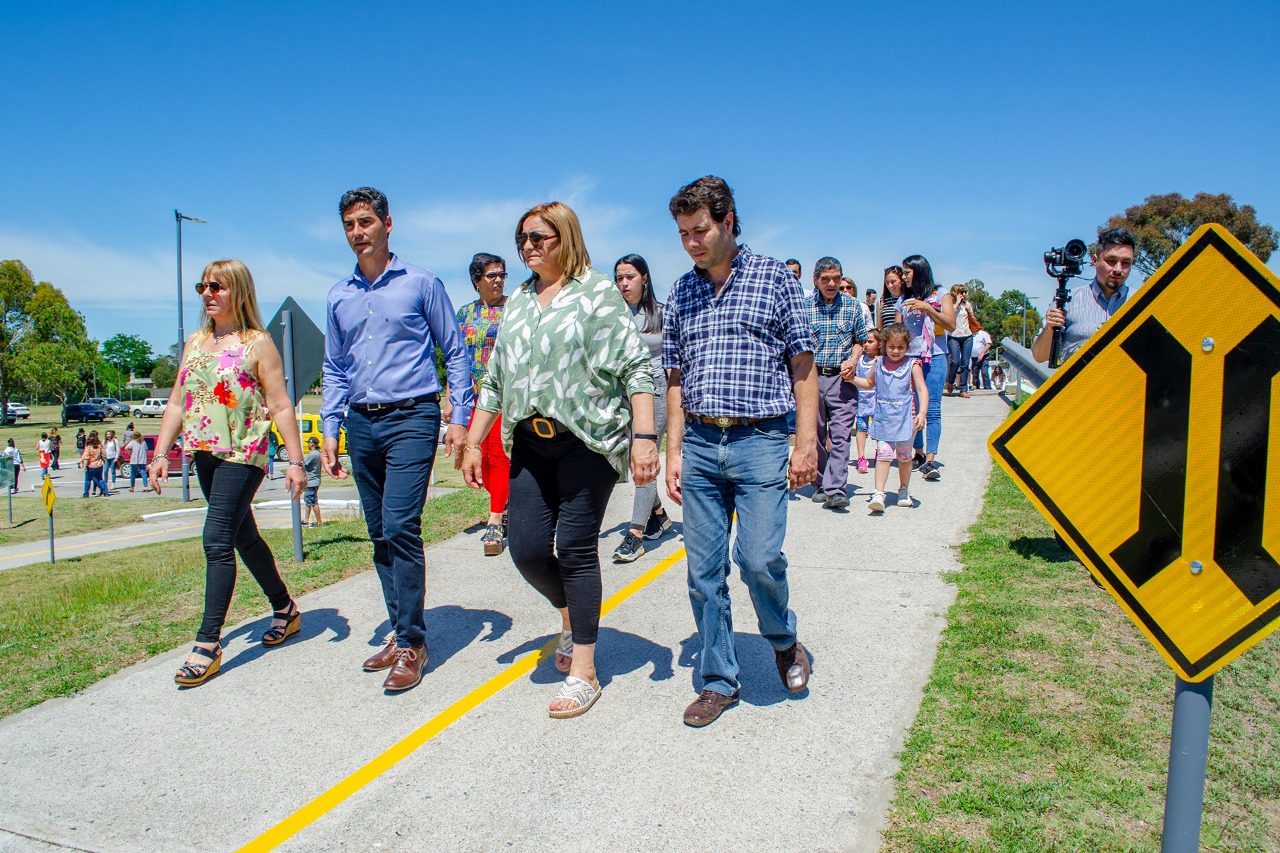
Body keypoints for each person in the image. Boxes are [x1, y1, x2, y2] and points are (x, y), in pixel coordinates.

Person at [460, 201, 657, 719]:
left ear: (566, 237)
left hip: (585, 442)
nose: (528, 247)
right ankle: (570, 616)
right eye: (522, 238)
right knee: (524, 549)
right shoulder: (520, 301)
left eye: (539, 237)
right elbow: (496, 380)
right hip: (528, 440)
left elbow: (637, 368)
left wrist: (644, 436)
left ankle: (585, 671)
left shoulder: (597, 294)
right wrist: (472, 442)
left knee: (573, 546)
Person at [663, 176, 816, 728]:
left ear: (728, 221)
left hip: (760, 442)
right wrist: (673, 449)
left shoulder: (774, 278)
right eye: (683, 233)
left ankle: (783, 640)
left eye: (700, 230)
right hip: (702, 444)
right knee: (703, 574)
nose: (691, 243)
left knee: (758, 559)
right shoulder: (683, 291)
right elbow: (675, 378)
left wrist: (805, 443)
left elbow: (803, 366)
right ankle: (718, 679)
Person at [321, 187, 474, 694]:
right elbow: (335, 366)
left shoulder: (421, 283)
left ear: (388, 223)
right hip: (361, 422)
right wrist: (329, 425)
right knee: (379, 534)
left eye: (365, 221)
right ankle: (397, 627)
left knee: (400, 524)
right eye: (349, 225)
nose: (358, 232)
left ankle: (412, 642)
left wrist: (459, 419)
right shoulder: (339, 295)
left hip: (413, 416)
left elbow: (455, 352)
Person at [149, 258, 307, 688]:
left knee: (216, 539)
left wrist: (295, 462)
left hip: (244, 452)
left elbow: (279, 405)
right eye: (203, 286)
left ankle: (207, 644)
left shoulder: (258, 344)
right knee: (243, 536)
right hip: (204, 452)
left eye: (216, 286)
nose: (207, 294)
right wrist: (161, 452)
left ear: (237, 291)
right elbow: (178, 402)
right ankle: (285, 608)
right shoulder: (196, 343)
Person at [612, 253, 673, 563]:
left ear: (644, 278)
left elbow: (677, 358)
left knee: (644, 459)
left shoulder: (662, 314)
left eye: (630, 276)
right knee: (628, 458)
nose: (624, 282)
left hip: (656, 392)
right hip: (622, 395)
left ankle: (635, 534)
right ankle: (659, 515)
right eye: (619, 277)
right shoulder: (612, 316)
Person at [450, 252, 511, 556]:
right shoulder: (463, 315)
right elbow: (455, 359)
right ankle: (504, 501)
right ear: (477, 281)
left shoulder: (515, 310)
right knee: (479, 461)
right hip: (471, 397)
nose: (498, 280)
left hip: (502, 396)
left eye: (502, 274)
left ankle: (496, 520)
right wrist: (450, 397)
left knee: (499, 457)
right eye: (491, 275)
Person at [851, 323, 928, 512]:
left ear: (907, 347)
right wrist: (850, 378)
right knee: (883, 454)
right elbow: (869, 383)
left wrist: (922, 413)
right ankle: (879, 493)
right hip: (884, 418)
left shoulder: (912, 365)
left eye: (901, 347)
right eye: (891, 347)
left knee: (904, 457)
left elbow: (921, 389)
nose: (895, 351)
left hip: (905, 419)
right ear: (884, 346)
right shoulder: (878, 363)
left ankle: (903, 489)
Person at [809, 256, 866, 509]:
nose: (832, 283)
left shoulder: (853, 307)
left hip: (843, 380)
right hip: (813, 378)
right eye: (826, 279)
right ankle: (821, 483)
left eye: (836, 278)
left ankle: (837, 488)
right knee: (817, 434)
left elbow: (861, 339)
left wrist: (853, 360)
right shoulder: (804, 306)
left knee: (841, 435)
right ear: (816, 280)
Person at [1032, 227, 1137, 364]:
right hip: (1080, 384)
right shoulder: (1067, 301)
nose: (1118, 269)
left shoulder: (1140, 300)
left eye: (1126, 263)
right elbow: (1039, 356)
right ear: (1094, 260)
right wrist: (1050, 328)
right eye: (1111, 260)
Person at [898, 255, 955, 481]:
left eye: (907, 272)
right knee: (913, 409)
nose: (903, 277)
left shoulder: (941, 294)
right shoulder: (903, 298)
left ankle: (931, 459)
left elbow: (950, 323)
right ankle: (918, 453)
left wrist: (926, 307)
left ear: (919, 271)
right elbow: (899, 328)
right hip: (910, 358)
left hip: (935, 356)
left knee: (932, 408)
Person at [852, 329, 883, 474]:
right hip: (862, 401)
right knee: (861, 428)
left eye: (870, 341)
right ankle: (861, 457)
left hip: (877, 401)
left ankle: (880, 452)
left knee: (879, 430)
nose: (866, 345)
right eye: (864, 341)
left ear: (879, 343)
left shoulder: (882, 360)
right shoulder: (860, 360)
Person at [945, 284, 977, 397]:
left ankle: (963, 389)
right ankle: (950, 381)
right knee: (955, 361)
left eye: (964, 292)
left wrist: (970, 311)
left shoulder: (967, 304)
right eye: (961, 292)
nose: (963, 294)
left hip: (967, 335)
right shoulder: (950, 304)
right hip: (953, 336)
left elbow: (972, 318)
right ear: (955, 293)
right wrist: (957, 303)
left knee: (965, 363)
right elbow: (948, 314)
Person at [302, 437, 323, 527]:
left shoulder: (312, 454)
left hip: (311, 481)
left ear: (312, 444)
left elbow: (302, 464)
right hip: (315, 480)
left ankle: (319, 522)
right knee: (308, 502)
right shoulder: (318, 453)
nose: (308, 445)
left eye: (308, 443)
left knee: (313, 502)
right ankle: (306, 520)